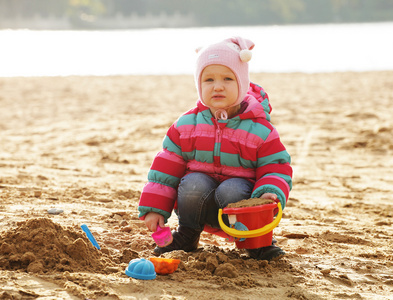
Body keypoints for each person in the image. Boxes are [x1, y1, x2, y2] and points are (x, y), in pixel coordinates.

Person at [138, 36, 292, 261]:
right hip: (198, 204)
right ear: (199, 85)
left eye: (228, 78)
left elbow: (275, 167)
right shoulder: (186, 125)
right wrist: (155, 208)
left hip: (239, 206)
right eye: (208, 79)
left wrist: (268, 193)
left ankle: (255, 242)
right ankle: (188, 234)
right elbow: (166, 169)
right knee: (193, 182)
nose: (217, 86)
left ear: (242, 83)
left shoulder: (260, 129)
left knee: (232, 188)